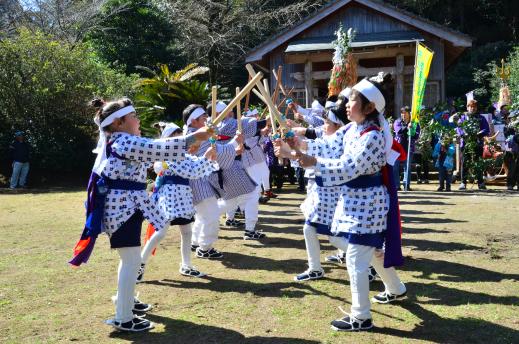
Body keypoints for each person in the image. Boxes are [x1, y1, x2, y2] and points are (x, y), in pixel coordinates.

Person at [68, 98, 212, 332]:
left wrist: (191, 143)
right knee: (131, 260)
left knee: (135, 255)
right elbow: (159, 148)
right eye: (133, 115)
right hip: (122, 208)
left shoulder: (122, 141)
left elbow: (159, 151)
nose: (138, 119)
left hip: (128, 206)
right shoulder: (124, 141)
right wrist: (193, 137)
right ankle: (123, 317)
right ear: (118, 123)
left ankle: (125, 301)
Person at [276, 74, 407, 331]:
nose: (346, 104)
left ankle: (361, 316)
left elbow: (348, 167)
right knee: (370, 253)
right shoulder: (351, 129)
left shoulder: (372, 136)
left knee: (356, 258)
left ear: (369, 107)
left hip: (368, 203)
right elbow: (327, 146)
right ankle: (395, 287)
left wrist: (308, 160)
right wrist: (297, 144)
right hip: (354, 201)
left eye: (353, 100)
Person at [138, 123, 217, 282]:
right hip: (170, 196)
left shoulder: (182, 155)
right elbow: (192, 171)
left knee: (187, 231)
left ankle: (186, 265)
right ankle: (139, 264)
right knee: (160, 232)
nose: (180, 140)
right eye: (177, 137)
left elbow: (194, 165)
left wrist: (206, 156)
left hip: (183, 195)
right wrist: (207, 157)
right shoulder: (169, 154)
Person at [452, 100, 490, 190]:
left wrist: (478, 133)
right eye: (470, 107)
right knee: (465, 163)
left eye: (474, 107)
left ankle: (480, 183)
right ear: (467, 107)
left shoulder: (480, 118)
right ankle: (463, 183)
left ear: (476, 108)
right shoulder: (463, 118)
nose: (472, 108)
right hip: (466, 143)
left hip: (477, 143)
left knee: (478, 163)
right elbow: (458, 128)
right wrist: (463, 134)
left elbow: (486, 129)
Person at [393, 106, 420, 190]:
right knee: (395, 167)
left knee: (407, 167)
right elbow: (399, 131)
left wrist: (411, 129)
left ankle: (406, 184)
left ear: (409, 114)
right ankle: (396, 185)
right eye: (402, 113)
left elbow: (416, 136)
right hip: (398, 147)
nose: (403, 115)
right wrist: (407, 127)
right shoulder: (397, 122)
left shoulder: (415, 123)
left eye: (405, 113)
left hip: (409, 147)